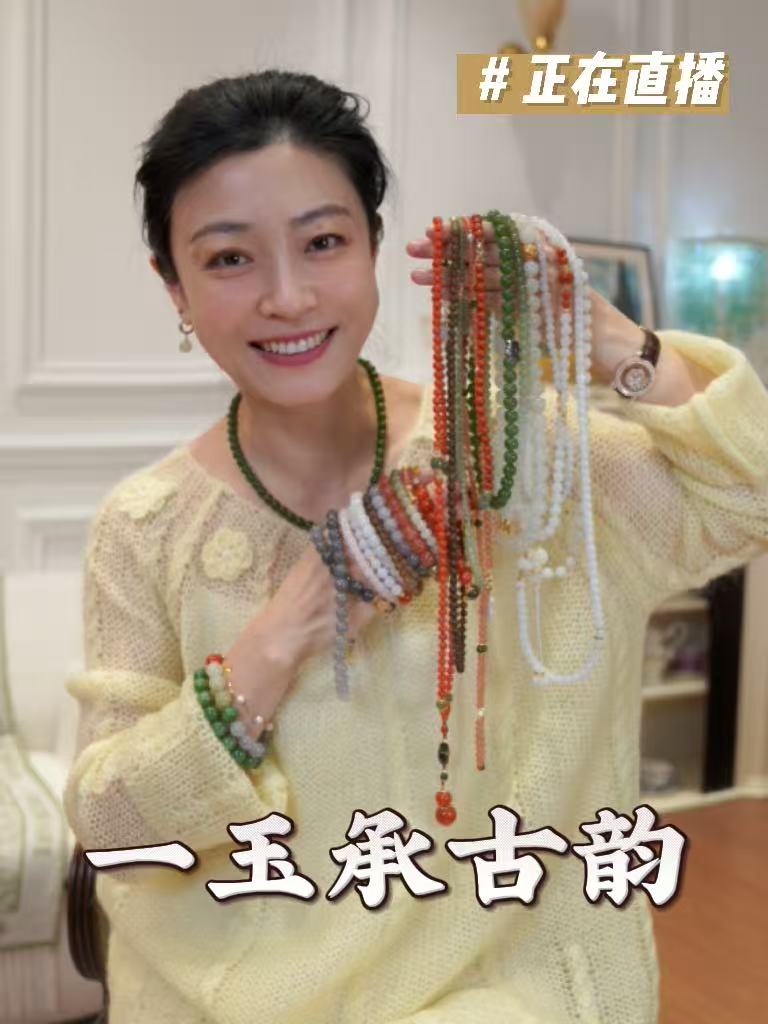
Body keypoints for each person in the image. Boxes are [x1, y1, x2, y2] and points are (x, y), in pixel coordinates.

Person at [62, 68, 768, 1024]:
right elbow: (112, 832)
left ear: (372, 245)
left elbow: (749, 499)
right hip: (231, 994)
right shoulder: (146, 527)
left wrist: (610, 343)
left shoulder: (514, 451)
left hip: (510, 990)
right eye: (229, 259)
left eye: (323, 242)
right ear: (173, 286)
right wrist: (286, 629)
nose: (287, 296)